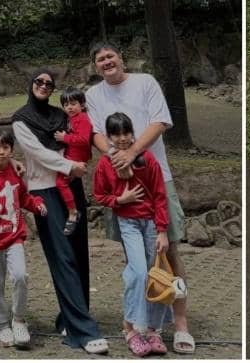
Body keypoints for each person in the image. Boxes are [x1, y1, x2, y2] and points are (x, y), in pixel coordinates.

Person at [84, 42, 195, 354]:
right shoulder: (93, 96)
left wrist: (132, 153)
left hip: (157, 179)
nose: (107, 62)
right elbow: (94, 133)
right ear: (96, 66)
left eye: (110, 56)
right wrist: (115, 156)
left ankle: (180, 321)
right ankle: (134, 324)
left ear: (121, 58)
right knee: (135, 262)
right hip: (121, 188)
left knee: (169, 252)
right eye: (100, 59)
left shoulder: (145, 83)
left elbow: (160, 121)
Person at [11, 70, 109, 355]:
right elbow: (36, 152)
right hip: (45, 190)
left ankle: (70, 317)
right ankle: (84, 331)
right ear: (30, 84)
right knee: (62, 256)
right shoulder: (21, 119)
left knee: (78, 254)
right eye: (38, 82)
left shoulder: (60, 115)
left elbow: (84, 135)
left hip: (72, 187)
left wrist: (109, 152)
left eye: (48, 84)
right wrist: (68, 166)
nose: (43, 86)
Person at [92, 112, 173, 357]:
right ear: (110, 137)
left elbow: (160, 196)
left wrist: (162, 230)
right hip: (128, 222)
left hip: (150, 222)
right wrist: (120, 199)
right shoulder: (105, 164)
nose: (123, 138)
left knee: (156, 274)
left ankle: (152, 330)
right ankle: (130, 329)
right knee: (137, 272)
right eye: (117, 134)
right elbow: (99, 195)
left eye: (126, 133)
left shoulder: (146, 159)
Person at [0, 129, 47, 348]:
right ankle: (2, 324)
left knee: (20, 276)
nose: (2, 152)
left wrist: (36, 204)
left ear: (11, 150)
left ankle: (18, 319)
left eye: (6, 147)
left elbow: (23, 196)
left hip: (14, 237)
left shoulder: (14, 174)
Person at [52, 87, 93, 235]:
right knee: (64, 181)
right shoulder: (71, 118)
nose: (69, 107)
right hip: (71, 156)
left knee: (60, 183)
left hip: (76, 157)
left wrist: (65, 138)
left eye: (73, 103)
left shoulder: (83, 119)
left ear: (82, 105)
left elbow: (83, 140)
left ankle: (73, 212)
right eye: (66, 104)